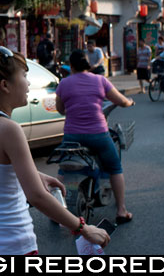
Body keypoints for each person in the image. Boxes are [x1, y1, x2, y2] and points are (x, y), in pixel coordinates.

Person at [0, 37, 110, 255]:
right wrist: (83, 228)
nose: (28, 83)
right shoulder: (8, 129)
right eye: (23, 76)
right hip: (12, 246)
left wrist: (36, 174)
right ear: (4, 85)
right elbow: (36, 197)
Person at [55, 49, 134, 225]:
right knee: (115, 167)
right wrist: (129, 102)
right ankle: (121, 210)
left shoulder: (64, 83)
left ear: (72, 66)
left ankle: (54, 210)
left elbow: (60, 110)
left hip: (72, 136)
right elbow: (120, 101)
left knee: (62, 170)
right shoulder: (100, 80)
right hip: (98, 134)